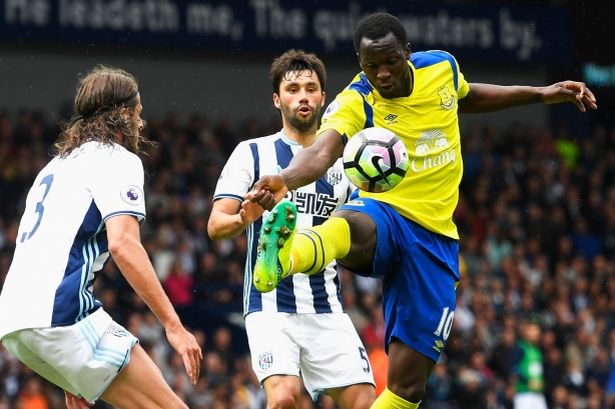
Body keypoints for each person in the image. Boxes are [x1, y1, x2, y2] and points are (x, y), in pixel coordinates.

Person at [245, 12, 597, 409]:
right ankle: (285, 257)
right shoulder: (356, 99)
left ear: (407, 54)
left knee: (407, 389)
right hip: (387, 212)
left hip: (435, 238)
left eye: (390, 61)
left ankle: (291, 255)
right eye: (370, 66)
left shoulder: (441, 67)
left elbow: (466, 96)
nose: (381, 74)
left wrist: (540, 93)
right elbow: (324, 151)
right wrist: (285, 179)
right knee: (349, 221)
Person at [0, 66, 202, 409]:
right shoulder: (117, 159)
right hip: (60, 316)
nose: (142, 123)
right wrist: (174, 326)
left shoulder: (55, 166)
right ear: (122, 114)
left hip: (15, 322)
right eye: (137, 113)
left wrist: (68, 371)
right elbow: (123, 245)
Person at [207, 49, 376, 408]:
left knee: (364, 401)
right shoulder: (251, 153)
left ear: (323, 98)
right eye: (293, 88)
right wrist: (242, 219)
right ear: (277, 99)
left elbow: (361, 232)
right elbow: (215, 225)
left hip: (326, 306)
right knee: (284, 398)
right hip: (270, 305)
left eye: (311, 88)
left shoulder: (348, 161)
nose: (303, 96)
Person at [512, 320, 548, 409]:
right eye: (531, 329)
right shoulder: (520, 348)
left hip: (538, 394)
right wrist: (527, 381)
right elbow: (514, 368)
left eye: (536, 329)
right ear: (524, 331)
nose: (534, 332)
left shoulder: (537, 350)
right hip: (524, 394)